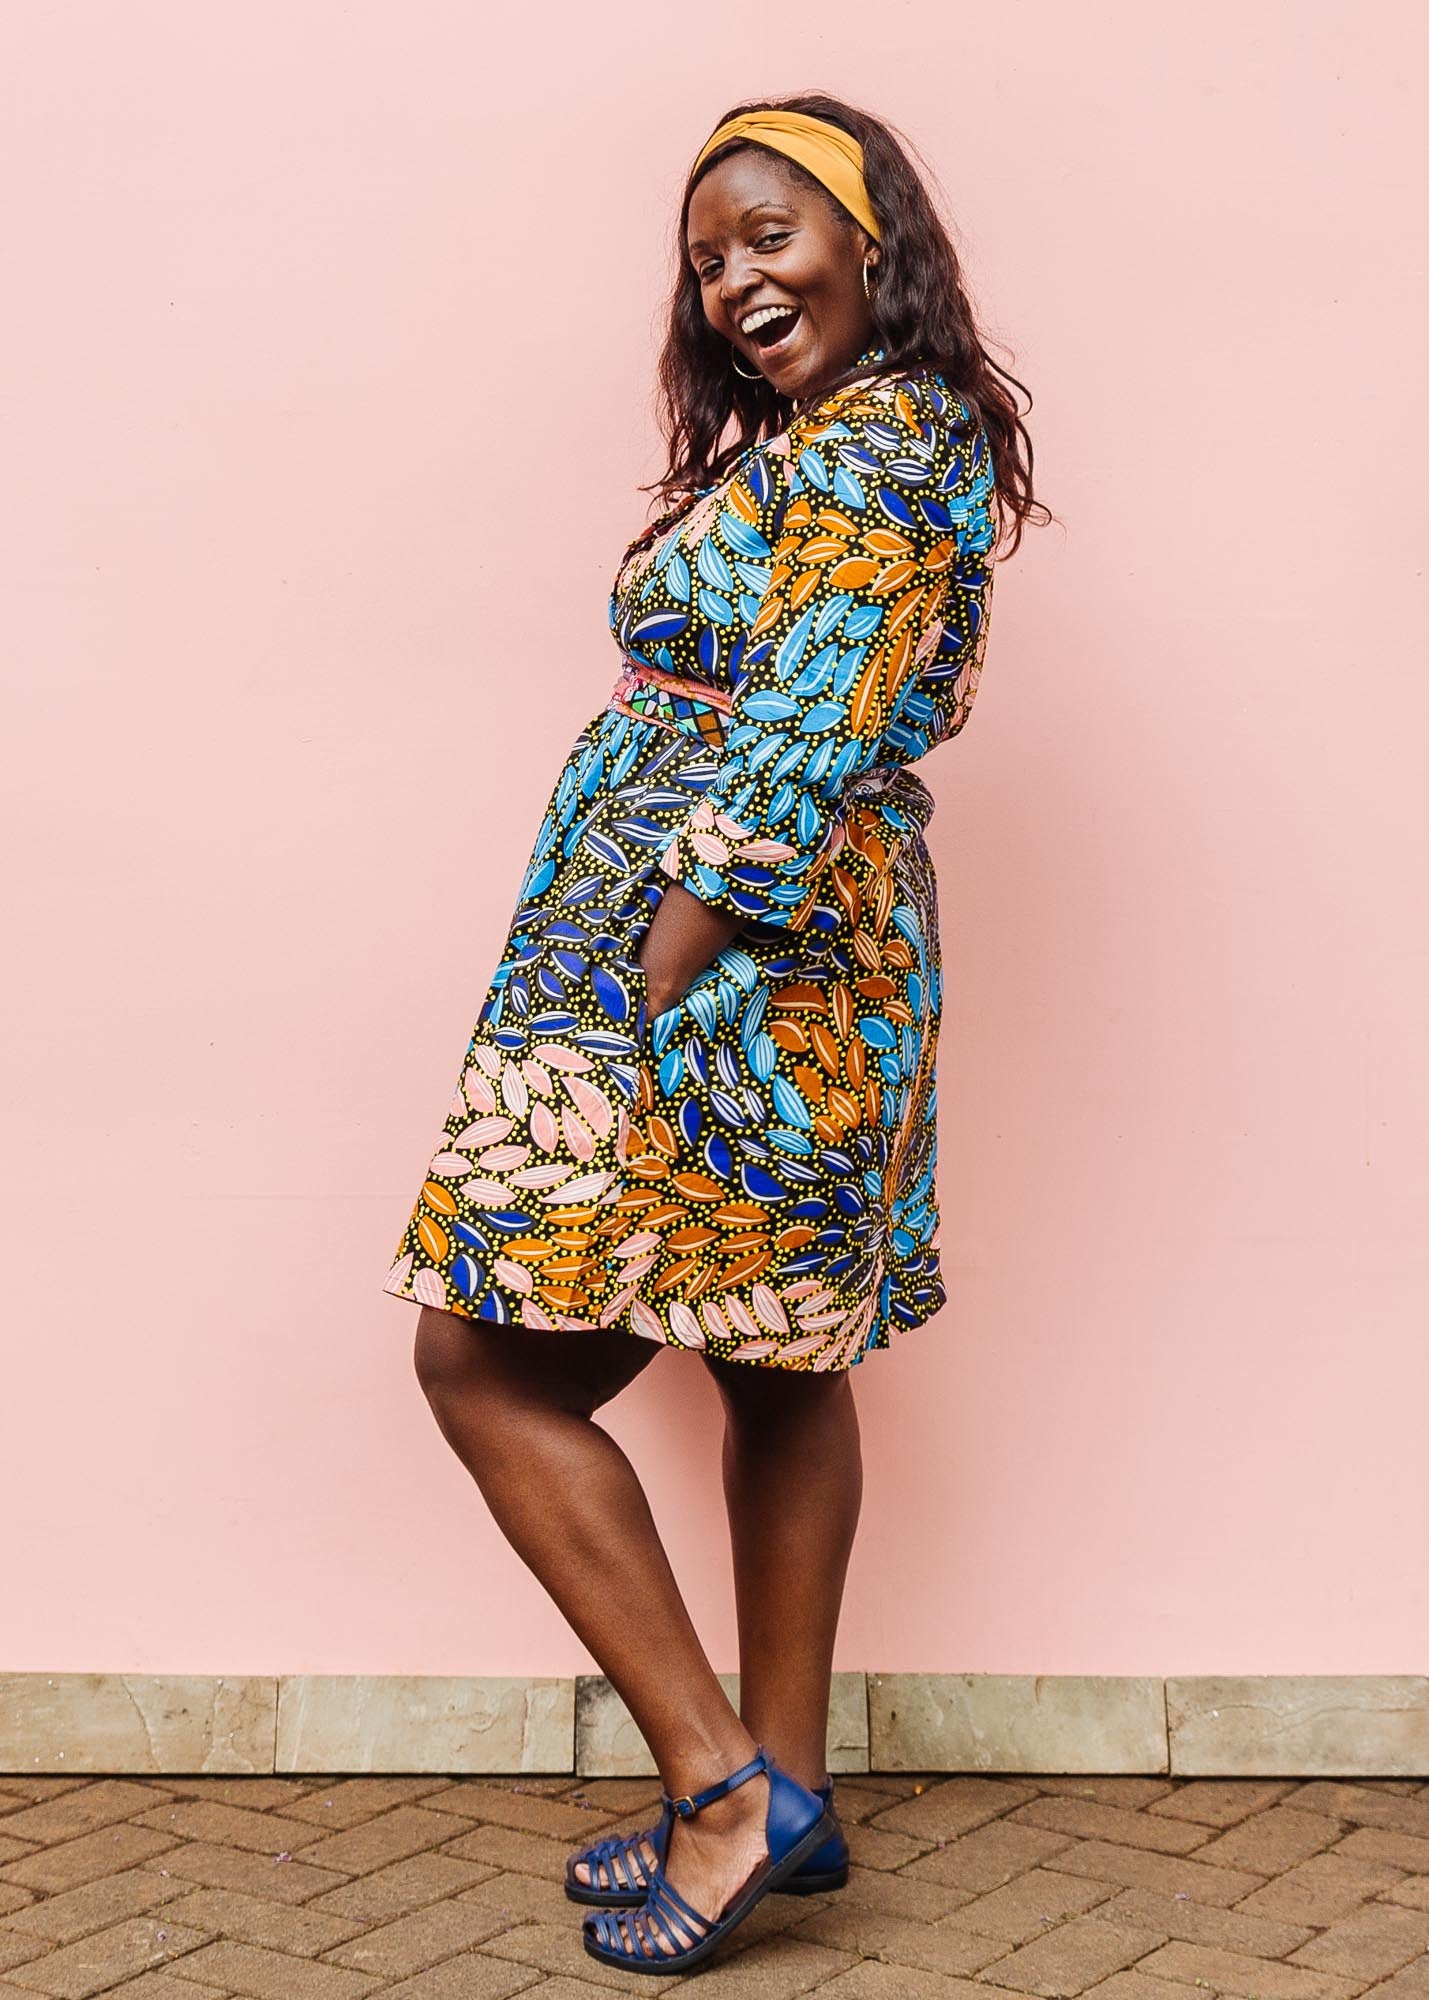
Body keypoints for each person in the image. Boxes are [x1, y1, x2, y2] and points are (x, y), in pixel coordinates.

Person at [382, 92, 1045, 1974]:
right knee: (770, 1359)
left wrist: (654, 974)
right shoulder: (839, 441)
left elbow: (805, 723)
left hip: (731, 964)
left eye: (769, 234)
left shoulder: (891, 433)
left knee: (482, 1364)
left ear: (866, 237)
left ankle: (719, 1788)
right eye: (706, 258)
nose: (737, 277)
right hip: (756, 955)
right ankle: (788, 1796)